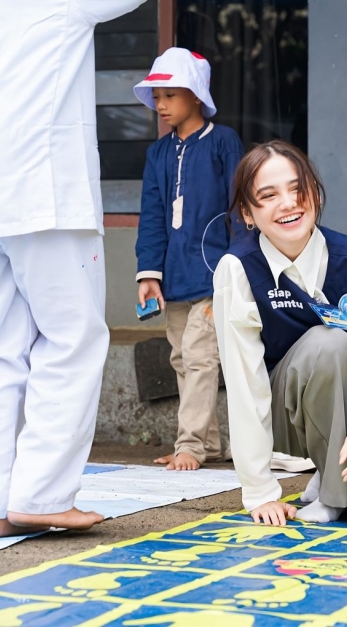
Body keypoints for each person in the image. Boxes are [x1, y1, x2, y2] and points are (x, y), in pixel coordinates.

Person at [0, 0, 234, 537]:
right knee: (71, 339)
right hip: (44, 192)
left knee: (2, 348)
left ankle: (0, 494)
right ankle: (40, 493)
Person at [213, 141, 347, 525]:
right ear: (247, 212)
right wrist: (260, 492)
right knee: (330, 342)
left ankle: (328, 482)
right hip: (287, 417)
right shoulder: (238, 269)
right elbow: (245, 384)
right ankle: (333, 493)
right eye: (269, 195)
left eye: (298, 188)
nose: (289, 203)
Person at [134, 47, 244, 471]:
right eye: (157, 97)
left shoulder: (223, 142)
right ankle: (210, 444)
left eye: (170, 96)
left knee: (200, 358)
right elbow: (152, 217)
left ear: (196, 95)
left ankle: (191, 445)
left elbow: (239, 208)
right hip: (174, 277)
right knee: (182, 358)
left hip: (215, 275)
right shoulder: (158, 154)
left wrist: (239, 269)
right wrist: (149, 274)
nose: (160, 106)